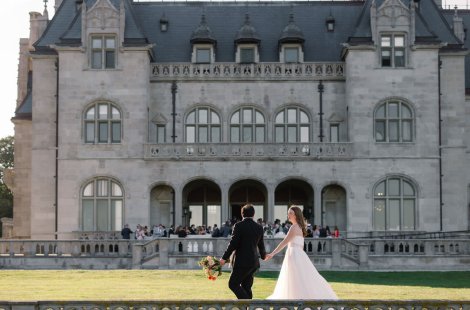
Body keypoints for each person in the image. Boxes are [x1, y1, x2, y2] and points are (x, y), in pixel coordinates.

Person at [264, 205, 338, 300]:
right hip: (299, 254)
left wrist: (272, 253)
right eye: (288, 213)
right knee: (301, 277)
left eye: (290, 213)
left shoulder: (294, 227)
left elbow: (284, 242)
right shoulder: (299, 227)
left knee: (295, 278)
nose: (288, 215)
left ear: (296, 215)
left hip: (294, 255)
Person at [220, 204, 267, 299]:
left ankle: (247, 303)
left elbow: (233, 244)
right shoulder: (259, 227)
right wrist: (263, 256)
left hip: (241, 262)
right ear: (253, 214)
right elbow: (261, 245)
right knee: (247, 287)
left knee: (233, 284)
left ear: (242, 214)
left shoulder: (238, 226)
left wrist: (224, 258)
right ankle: (248, 306)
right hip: (253, 262)